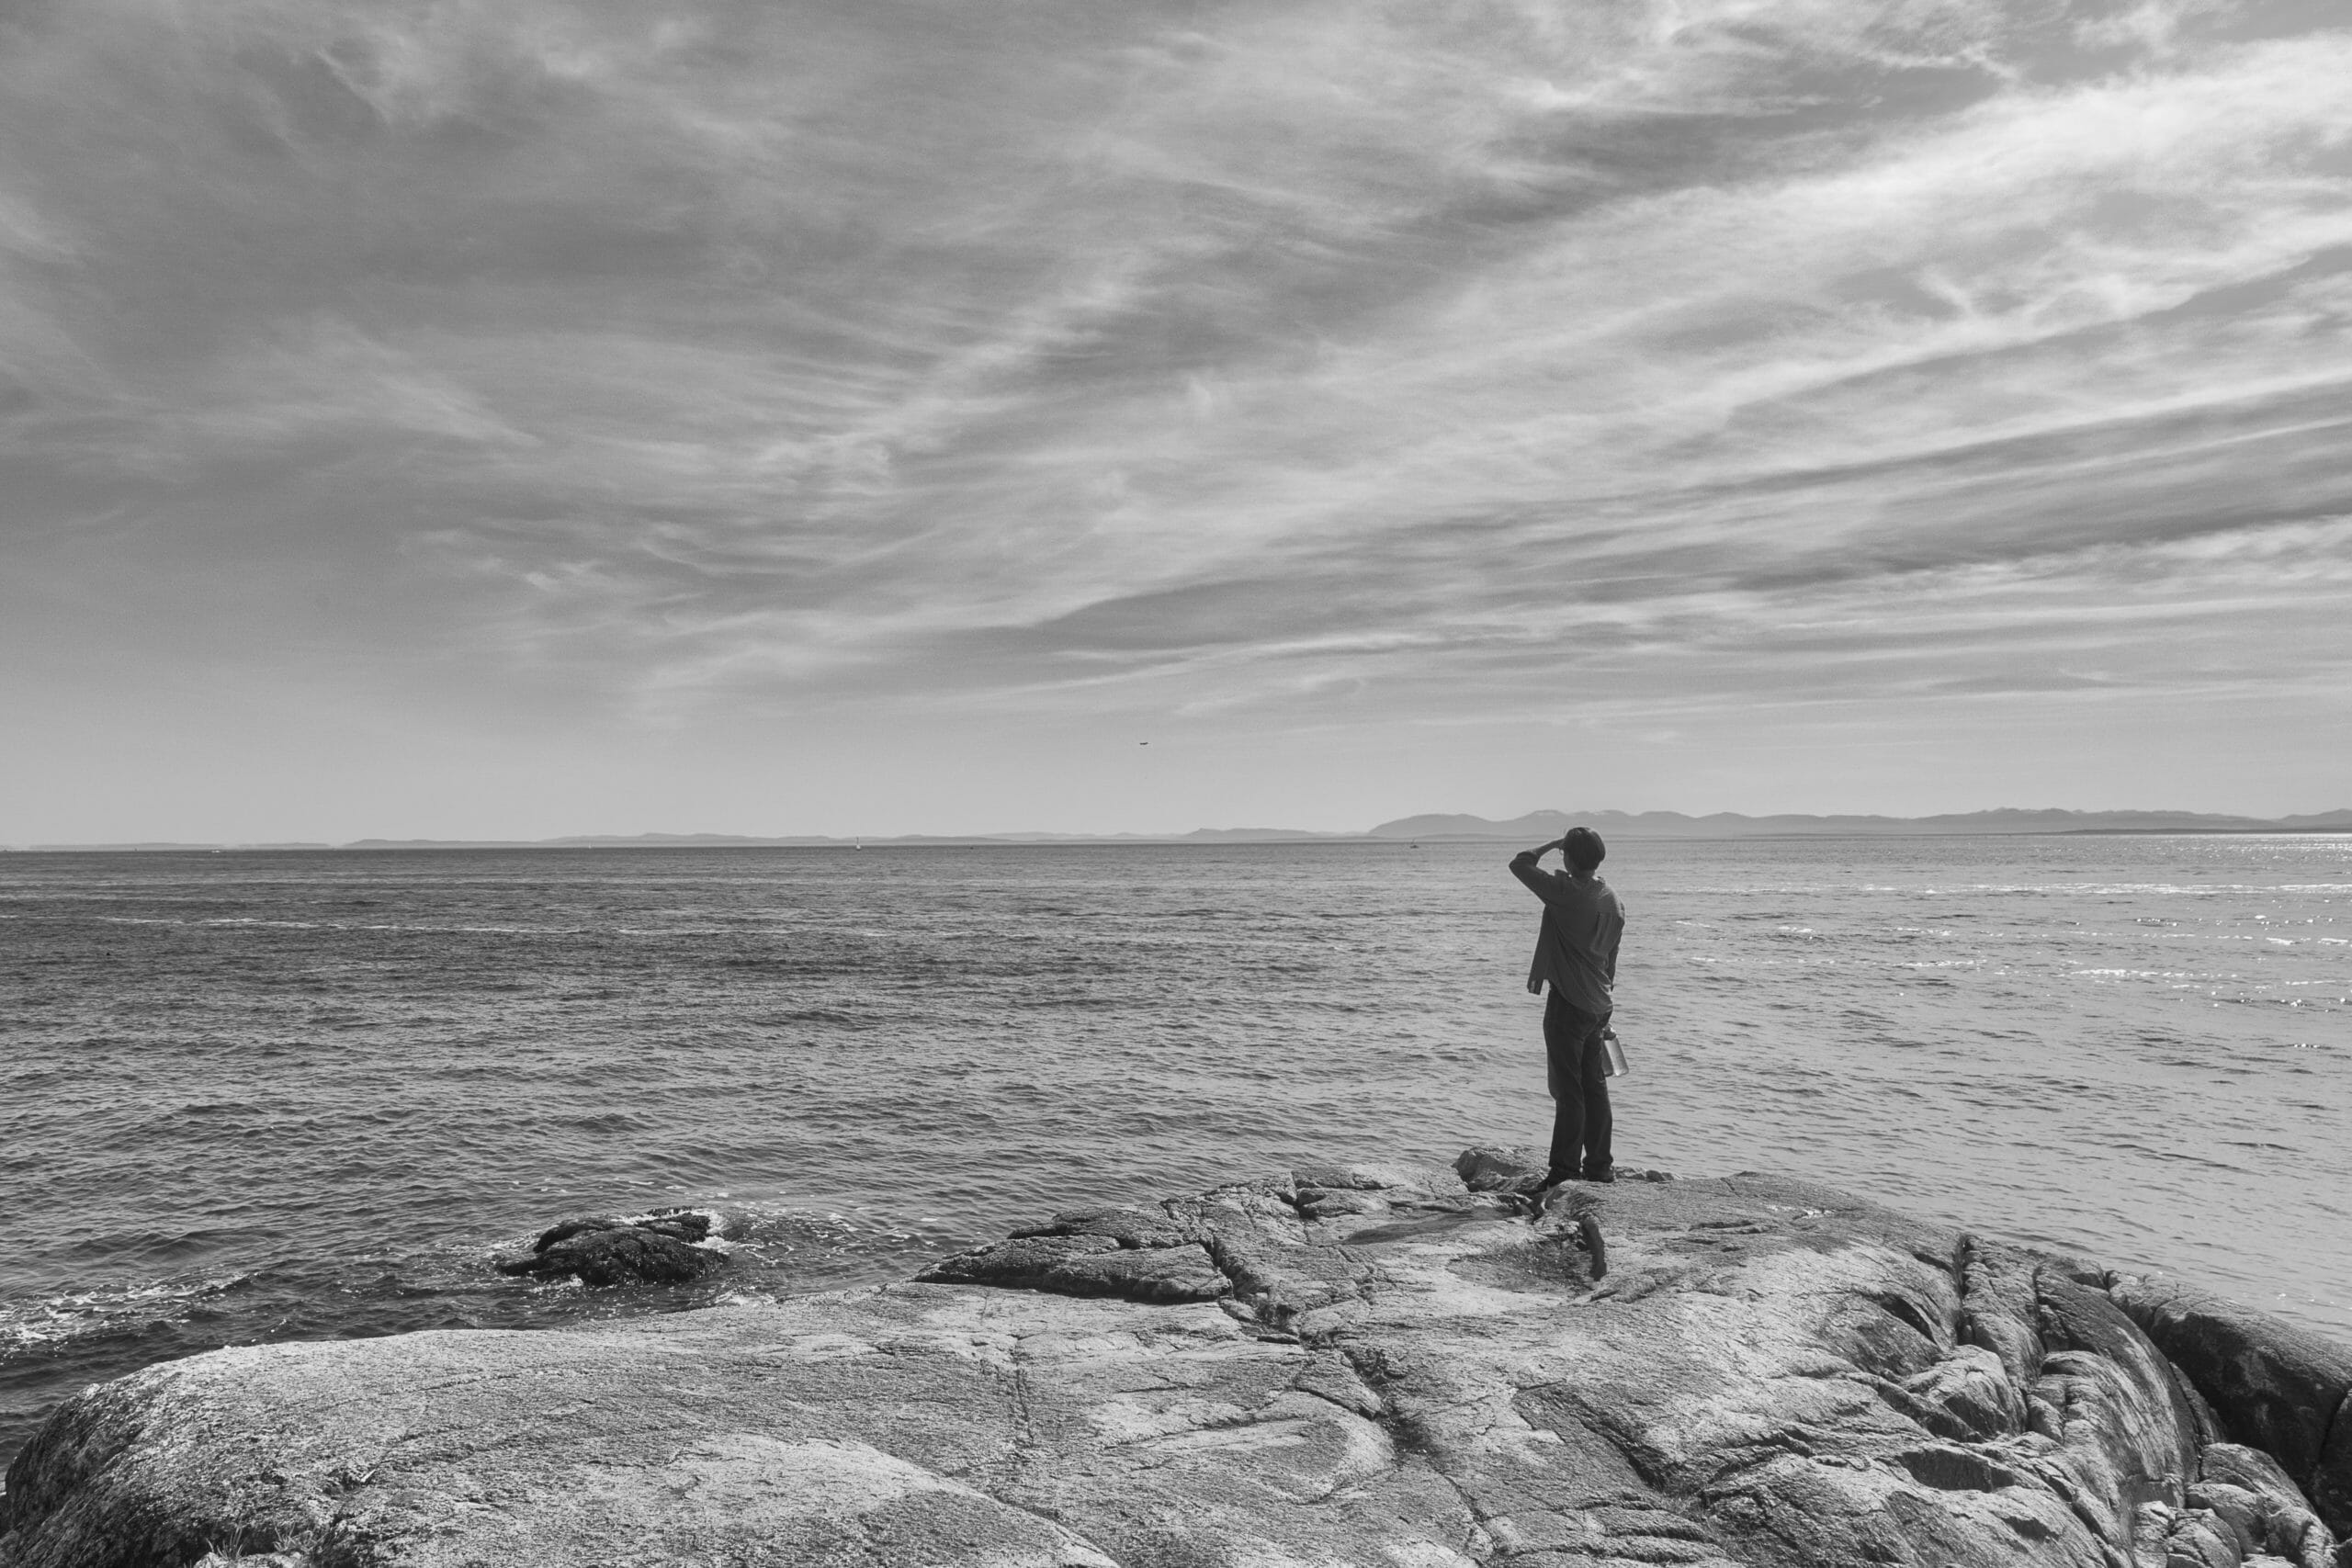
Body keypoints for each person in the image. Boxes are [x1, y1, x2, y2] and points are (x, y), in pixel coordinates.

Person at [1509, 826, 1625, 1193]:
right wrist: (1606, 1004)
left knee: (1568, 1089)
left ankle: (1563, 1171)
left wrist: (1550, 845)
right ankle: (1600, 1167)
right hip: (1599, 1002)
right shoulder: (1612, 898)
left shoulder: (1567, 893)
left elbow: (1520, 864)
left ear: (1570, 858)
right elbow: (1611, 960)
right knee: (1594, 1085)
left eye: (1565, 854)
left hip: (1569, 1002)